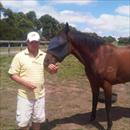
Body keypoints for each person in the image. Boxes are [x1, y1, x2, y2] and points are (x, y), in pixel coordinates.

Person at [8, 31, 58, 130]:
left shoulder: (44, 56)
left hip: (40, 95)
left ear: (39, 42)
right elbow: (12, 74)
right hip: (24, 96)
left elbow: (50, 71)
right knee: (23, 123)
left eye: (36, 42)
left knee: (37, 120)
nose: (34, 44)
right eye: (32, 42)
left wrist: (53, 70)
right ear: (27, 42)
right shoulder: (19, 56)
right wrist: (26, 83)